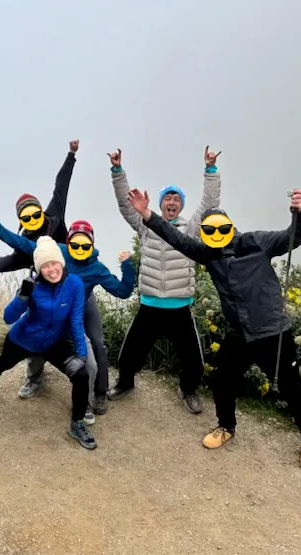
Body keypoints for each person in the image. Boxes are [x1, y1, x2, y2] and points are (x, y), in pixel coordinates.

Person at [126, 186, 301, 471]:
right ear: (205, 232)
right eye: (210, 229)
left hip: (273, 332)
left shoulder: (257, 242)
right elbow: (177, 239)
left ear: (231, 226)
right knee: (222, 380)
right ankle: (225, 426)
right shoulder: (209, 252)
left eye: (221, 227)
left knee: (292, 388)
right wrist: (146, 213)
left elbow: (295, 236)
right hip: (238, 333)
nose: (217, 233)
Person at [106, 146, 222, 415]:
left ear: (181, 205)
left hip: (180, 308)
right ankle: (125, 384)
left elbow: (210, 205)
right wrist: (117, 171)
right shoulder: (145, 225)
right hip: (150, 305)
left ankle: (188, 390)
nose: (172, 202)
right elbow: (126, 205)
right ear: (159, 205)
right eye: (167, 198)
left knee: (194, 361)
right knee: (129, 355)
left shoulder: (191, 229)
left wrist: (211, 170)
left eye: (176, 199)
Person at [0, 216, 136, 421]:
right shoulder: (57, 253)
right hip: (52, 310)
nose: (79, 248)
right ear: (68, 242)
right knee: (37, 338)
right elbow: (24, 244)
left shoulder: (96, 268)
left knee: (95, 348)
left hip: (78, 307)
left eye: (85, 244)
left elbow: (122, 291)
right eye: (75, 243)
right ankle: (34, 379)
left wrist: (127, 266)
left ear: (92, 244)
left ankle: (94, 397)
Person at [0, 140, 79, 400]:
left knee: (74, 329)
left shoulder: (54, 217)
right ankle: (33, 378)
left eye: (34, 215)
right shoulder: (26, 245)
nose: (32, 221)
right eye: (26, 218)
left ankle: (86, 380)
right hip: (43, 292)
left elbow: (61, 186)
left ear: (41, 211)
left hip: (71, 285)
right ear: (21, 220)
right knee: (34, 332)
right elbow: (10, 260)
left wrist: (71, 155)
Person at [0, 236, 97, 450]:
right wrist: (22, 296)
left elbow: (76, 320)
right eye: (45, 265)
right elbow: (8, 318)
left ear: (62, 262)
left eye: (54, 263)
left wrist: (81, 354)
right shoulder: (32, 286)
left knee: (81, 373)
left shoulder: (74, 284)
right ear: (38, 268)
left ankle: (77, 423)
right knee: (4, 363)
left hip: (52, 343)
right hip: (23, 339)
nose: (51, 269)